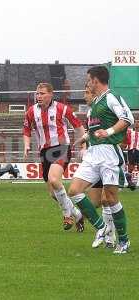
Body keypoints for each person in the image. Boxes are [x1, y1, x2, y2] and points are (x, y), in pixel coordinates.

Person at [68, 66, 134, 254]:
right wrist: (84, 138)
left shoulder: (111, 97)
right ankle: (101, 227)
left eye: (89, 80)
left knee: (111, 198)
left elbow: (127, 118)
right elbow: (95, 129)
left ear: (96, 80)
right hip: (93, 153)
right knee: (74, 190)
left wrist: (110, 132)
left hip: (109, 154)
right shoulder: (95, 105)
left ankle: (123, 240)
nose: (87, 83)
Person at [23, 82, 85, 232]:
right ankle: (77, 214)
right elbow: (26, 130)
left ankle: (67, 215)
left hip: (61, 148)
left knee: (54, 179)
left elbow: (78, 126)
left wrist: (83, 145)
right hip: (44, 152)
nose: (39, 96)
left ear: (51, 94)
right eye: (37, 93)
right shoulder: (31, 111)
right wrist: (26, 145)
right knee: (52, 193)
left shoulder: (62, 108)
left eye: (42, 93)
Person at [78, 84, 116, 248]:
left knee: (107, 199)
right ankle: (102, 229)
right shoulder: (90, 112)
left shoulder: (105, 108)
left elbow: (116, 128)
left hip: (108, 158)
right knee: (95, 202)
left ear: (94, 94)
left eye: (86, 93)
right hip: (94, 159)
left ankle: (110, 237)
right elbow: (91, 133)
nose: (84, 96)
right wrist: (84, 143)